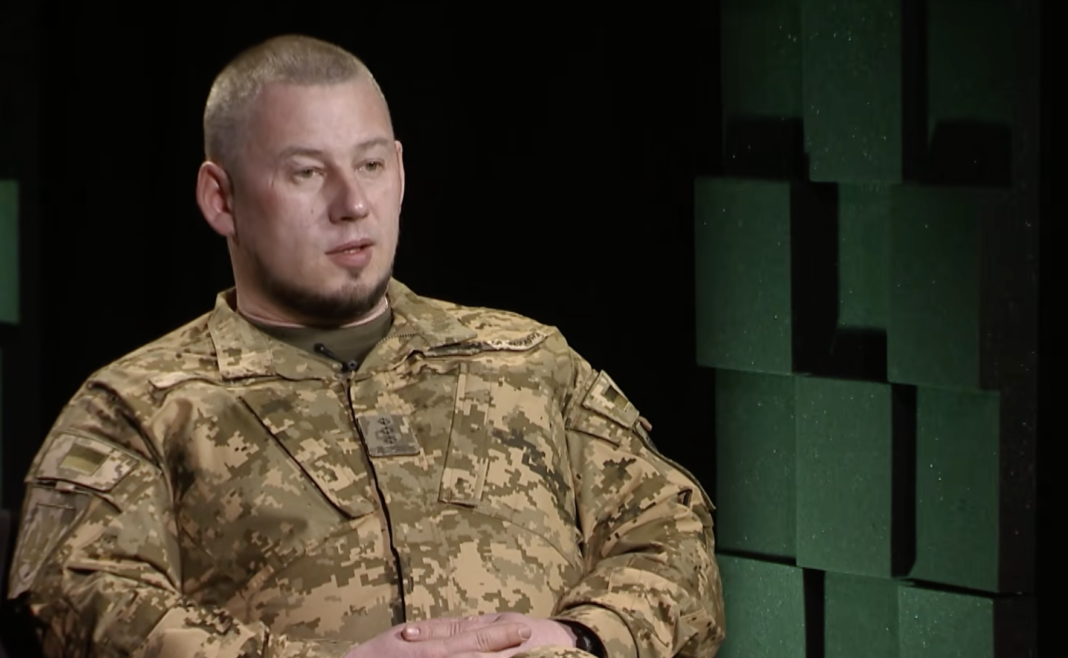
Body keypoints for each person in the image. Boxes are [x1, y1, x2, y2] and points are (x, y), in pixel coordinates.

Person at [5, 35, 725, 658]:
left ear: (401, 172)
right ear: (221, 199)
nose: (352, 203)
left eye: (372, 165)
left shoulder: (529, 360)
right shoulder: (136, 409)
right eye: (307, 172)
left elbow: (672, 534)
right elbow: (79, 605)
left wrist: (580, 636)